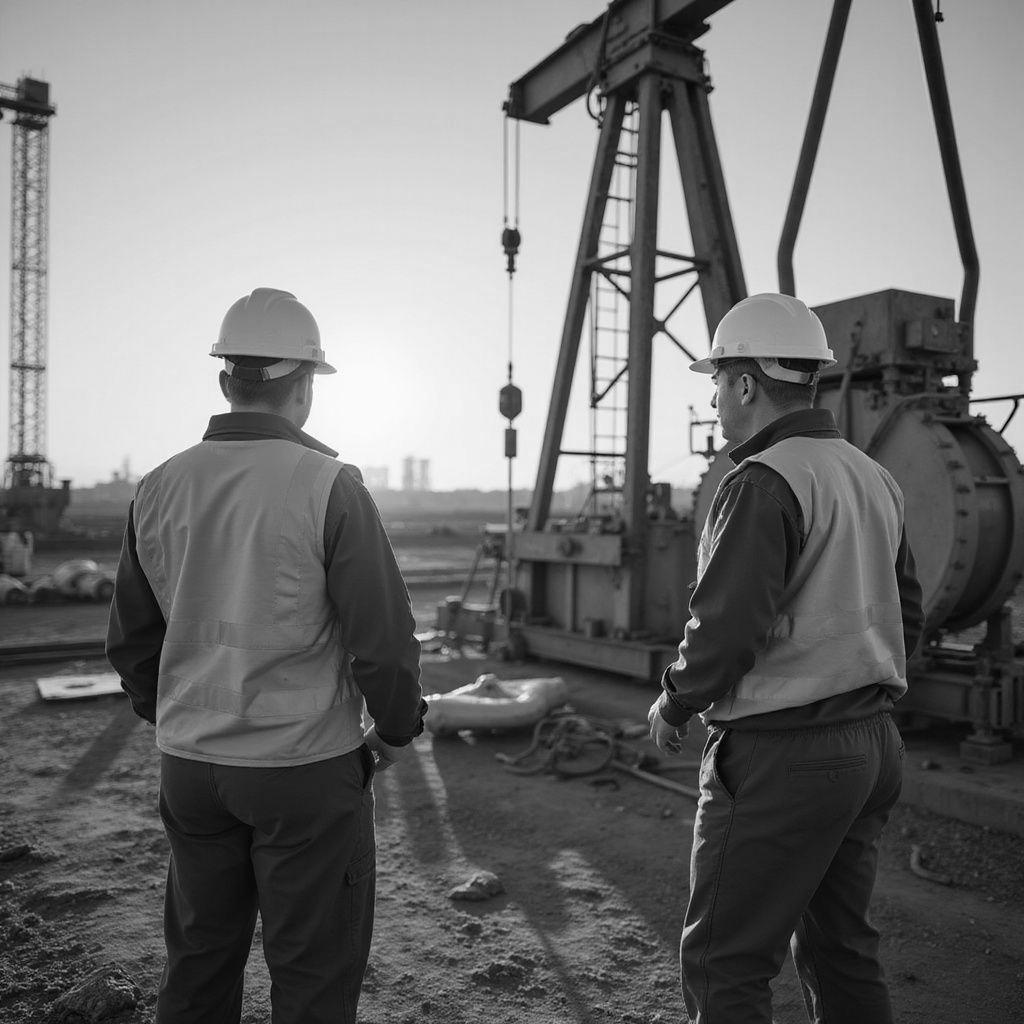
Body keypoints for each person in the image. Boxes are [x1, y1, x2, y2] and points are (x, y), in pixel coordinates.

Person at [106, 287, 426, 1024]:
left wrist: (179, 719)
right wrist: (398, 728)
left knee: (198, 963)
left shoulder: (156, 486)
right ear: (306, 389)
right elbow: (384, 642)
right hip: (303, 774)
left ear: (225, 379)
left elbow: (130, 642)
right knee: (312, 977)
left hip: (190, 772)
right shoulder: (329, 487)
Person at [648, 292, 924, 1024]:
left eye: (716, 380)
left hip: (785, 755)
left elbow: (725, 629)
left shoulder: (762, 480)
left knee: (727, 962)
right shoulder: (872, 476)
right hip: (871, 746)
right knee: (841, 950)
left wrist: (676, 698)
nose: (712, 398)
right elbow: (910, 612)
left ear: (744, 383)